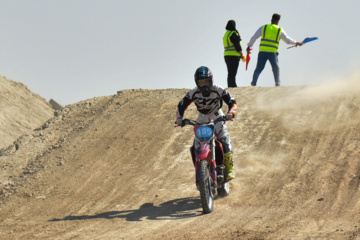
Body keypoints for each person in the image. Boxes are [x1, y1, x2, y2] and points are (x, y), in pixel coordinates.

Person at [176, 66, 237, 180]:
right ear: (196, 82)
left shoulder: (218, 89)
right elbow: (181, 105)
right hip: (202, 118)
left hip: (217, 116)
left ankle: (229, 169)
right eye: (201, 82)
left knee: (224, 140)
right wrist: (179, 118)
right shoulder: (193, 92)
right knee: (196, 145)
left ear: (211, 80)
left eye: (206, 81)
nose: (204, 85)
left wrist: (231, 113)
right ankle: (200, 170)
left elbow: (232, 101)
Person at [246, 13, 303, 87]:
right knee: (276, 68)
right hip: (272, 52)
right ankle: (277, 84)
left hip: (262, 51)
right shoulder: (279, 30)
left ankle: (253, 84)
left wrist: (249, 46)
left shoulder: (264, 27)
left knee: (259, 68)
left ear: (271, 19)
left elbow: (254, 37)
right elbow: (287, 40)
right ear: (278, 21)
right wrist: (296, 42)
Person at [223, 20, 244, 88]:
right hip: (234, 56)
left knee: (230, 72)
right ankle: (233, 87)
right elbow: (236, 44)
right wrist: (241, 53)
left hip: (226, 55)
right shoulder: (233, 33)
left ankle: (231, 86)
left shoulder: (226, 34)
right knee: (233, 73)